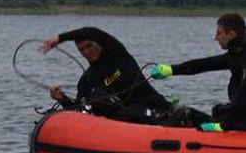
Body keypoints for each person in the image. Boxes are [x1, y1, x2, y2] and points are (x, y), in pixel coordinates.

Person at [149, 12, 246, 130]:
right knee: (193, 113)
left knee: (218, 115)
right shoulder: (236, 54)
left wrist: (223, 126)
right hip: (245, 115)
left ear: (231, 35)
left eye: (219, 33)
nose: (216, 38)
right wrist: (170, 69)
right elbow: (205, 64)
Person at [40, 26, 172, 123]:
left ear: (97, 42)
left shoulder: (116, 53)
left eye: (89, 46)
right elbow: (79, 109)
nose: (86, 52)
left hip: (155, 107)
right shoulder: (87, 79)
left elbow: (92, 31)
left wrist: (60, 38)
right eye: (81, 50)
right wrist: (62, 98)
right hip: (128, 120)